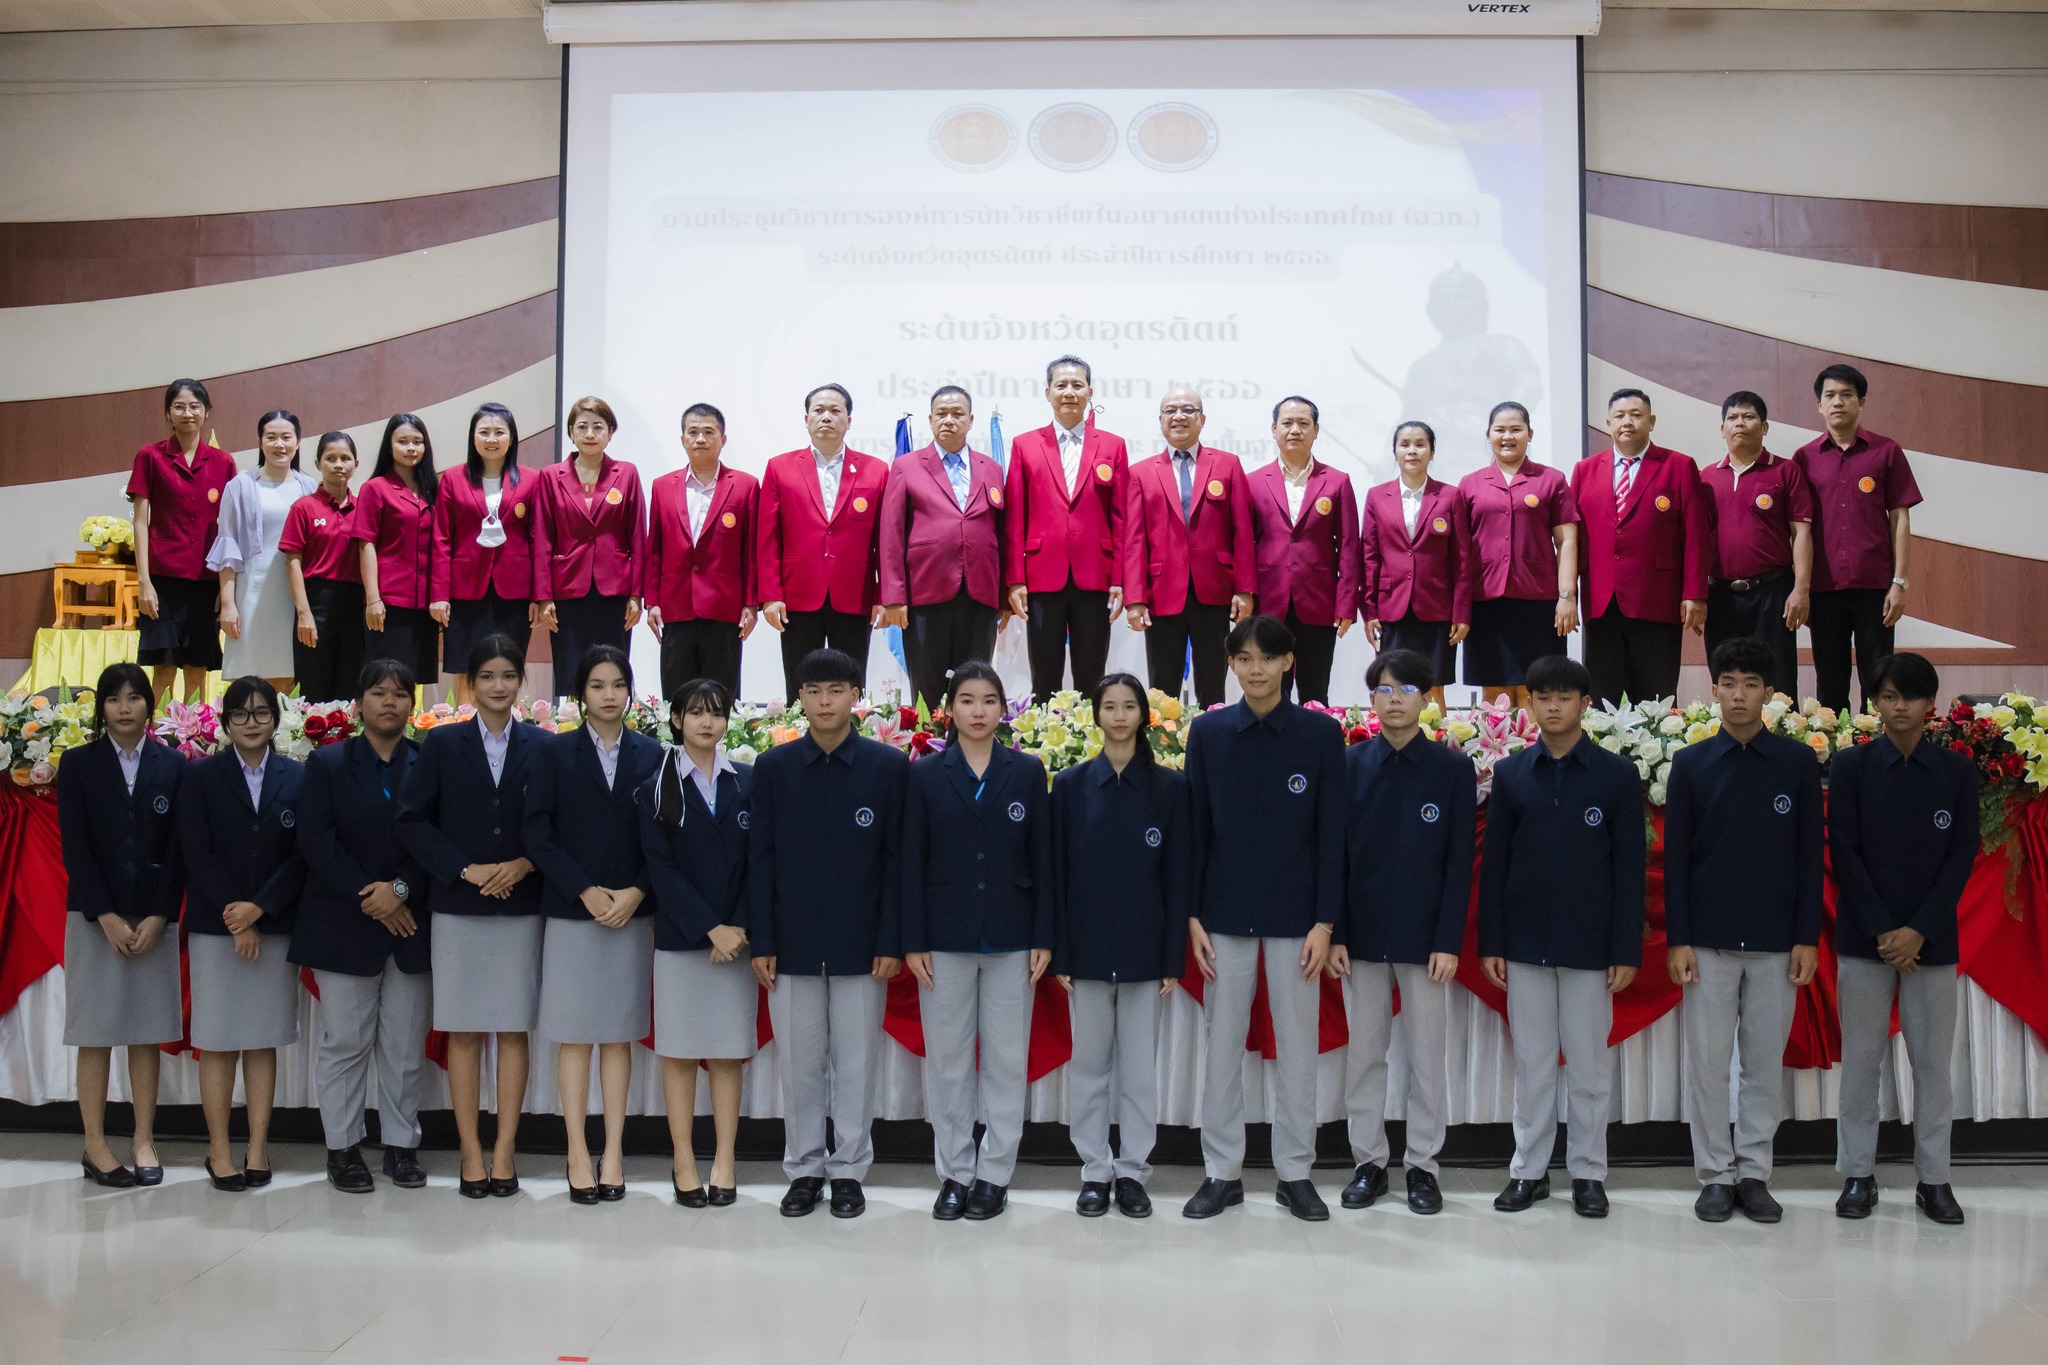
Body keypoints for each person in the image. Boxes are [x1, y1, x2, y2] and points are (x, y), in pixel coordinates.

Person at [1181, 616, 1347, 1221]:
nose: (1254, 668)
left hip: (1297, 921)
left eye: (1266, 658)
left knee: (1298, 1049)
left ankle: (1295, 1173)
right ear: (1231, 664)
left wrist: (1326, 922)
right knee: (1221, 1049)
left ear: (1287, 663)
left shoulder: (1319, 736)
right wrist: (1192, 913)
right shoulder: (1208, 732)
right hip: (1221, 917)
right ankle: (1221, 1173)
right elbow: (1194, 829)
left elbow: (1334, 837)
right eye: (1243, 658)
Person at [1478, 654, 1644, 1218]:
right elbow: (1495, 866)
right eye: (1542, 697)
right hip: (1524, 945)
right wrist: (1493, 943)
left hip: (1591, 947)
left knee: (1590, 1069)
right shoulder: (1511, 774)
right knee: (1533, 1064)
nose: (1552, 706)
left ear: (1584, 705)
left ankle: (1589, 1174)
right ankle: (1527, 1171)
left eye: (1564, 697)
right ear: (1529, 704)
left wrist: (1624, 949)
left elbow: (1629, 872)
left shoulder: (1617, 777)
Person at [1664, 637, 1823, 1224]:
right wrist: (1678, 938)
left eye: (1750, 684)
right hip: (1706, 942)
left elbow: (1811, 858)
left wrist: (1806, 936)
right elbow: (1677, 860)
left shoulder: (1797, 763)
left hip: (1778, 943)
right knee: (1707, 1064)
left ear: (1770, 693)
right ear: (1714, 689)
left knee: (1762, 1064)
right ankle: (1714, 1174)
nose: (1738, 695)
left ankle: (1754, 1172)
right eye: (1728, 683)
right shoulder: (1691, 764)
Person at [747, 647, 909, 1219]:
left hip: (863, 945)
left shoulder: (887, 769)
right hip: (790, 944)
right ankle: (804, 1169)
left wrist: (891, 940)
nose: (824, 701)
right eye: (814, 691)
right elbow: (759, 861)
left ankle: (848, 1171)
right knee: (800, 1063)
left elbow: (898, 864)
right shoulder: (774, 768)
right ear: (801, 697)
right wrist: (762, 940)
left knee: (857, 1063)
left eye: (836, 690)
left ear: (855, 696)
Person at [1828, 651, 1976, 1225]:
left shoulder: (1956, 771)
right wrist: (1886, 930)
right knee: (1862, 1061)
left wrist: (1919, 930)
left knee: (1933, 1065)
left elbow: (1961, 856)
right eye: (1888, 696)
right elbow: (1845, 852)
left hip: (1932, 942)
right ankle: (1858, 1176)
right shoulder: (1851, 767)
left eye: (1909, 696)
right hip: (1867, 940)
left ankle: (1934, 1180)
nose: (1898, 706)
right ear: (1876, 703)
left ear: (1930, 704)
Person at [394, 635, 544, 1199]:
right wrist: (465, 869)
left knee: (510, 1029)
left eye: (508, 676)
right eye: (487, 677)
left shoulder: (542, 745)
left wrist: (526, 862)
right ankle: (470, 1151)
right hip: (458, 907)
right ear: (471, 684)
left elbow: (553, 824)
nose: (499, 686)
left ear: (519, 684)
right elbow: (412, 822)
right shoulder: (441, 743)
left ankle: (504, 1149)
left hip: (520, 906)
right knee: (462, 1030)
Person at [902, 662, 1053, 1221]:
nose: (979, 711)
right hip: (944, 938)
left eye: (990, 700)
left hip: (1013, 938)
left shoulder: (1026, 770)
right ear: (951, 709)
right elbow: (910, 863)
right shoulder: (923, 773)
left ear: (1002, 709)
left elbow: (1044, 861)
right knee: (947, 1063)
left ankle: (994, 1174)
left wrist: (1044, 934)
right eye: (967, 700)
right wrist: (913, 938)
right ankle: (955, 1173)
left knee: (1007, 1061)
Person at [1332, 648, 1475, 1216]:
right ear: (1372, 699)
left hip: (1425, 941)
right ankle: (1369, 1163)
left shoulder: (1450, 769)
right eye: (1385, 690)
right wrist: (1336, 931)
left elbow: (1459, 862)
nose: (1395, 700)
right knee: (1365, 1057)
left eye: (1406, 690)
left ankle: (1422, 1166)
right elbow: (1334, 858)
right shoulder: (1349, 766)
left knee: (1425, 1058)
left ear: (1426, 698)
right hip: (1361, 938)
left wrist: (1447, 939)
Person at [524, 644, 662, 1204]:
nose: (609, 695)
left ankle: (613, 1152)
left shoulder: (653, 755)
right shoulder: (554, 754)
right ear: (581, 694)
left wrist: (635, 891)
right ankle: (577, 1152)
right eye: (598, 685)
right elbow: (537, 834)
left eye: (618, 685)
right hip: (573, 912)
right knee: (576, 1036)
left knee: (618, 1037)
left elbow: (666, 839)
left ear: (629, 691)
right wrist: (583, 890)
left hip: (631, 913)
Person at [289, 659, 432, 1195]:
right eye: (378, 692)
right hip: (344, 923)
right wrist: (370, 895)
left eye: (400, 693)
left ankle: (401, 1145)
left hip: (411, 924)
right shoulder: (326, 765)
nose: (389, 701)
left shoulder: (427, 762)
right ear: (359, 703)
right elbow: (316, 841)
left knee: (402, 1045)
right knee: (345, 1042)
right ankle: (343, 1149)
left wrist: (400, 890)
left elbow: (439, 840)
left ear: (412, 705)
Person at [1051, 672, 1189, 1218]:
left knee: (1137, 1069)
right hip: (1083, 950)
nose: (1119, 716)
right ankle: (1093, 1171)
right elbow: (1056, 876)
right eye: (1109, 706)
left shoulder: (1171, 790)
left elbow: (1179, 881)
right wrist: (1060, 950)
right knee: (1088, 1066)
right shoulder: (1070, 786)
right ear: (1096, 715)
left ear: (1143, 716)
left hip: (1145, 951)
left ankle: (1132, 1172)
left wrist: (1171, 954)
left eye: (1129, 706)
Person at [176, 675, 306, 1192]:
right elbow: (195, 850)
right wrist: (236, 915)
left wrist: (259, 909)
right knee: (219, 1041)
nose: (251, 723)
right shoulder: (201, 776)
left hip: (273, 927)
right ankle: (219, 1149)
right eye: (240, 714)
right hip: (215, 927)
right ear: (226, 722)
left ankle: (256, 1146)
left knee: (261, 1040)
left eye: (261, 713)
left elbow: (302, 856)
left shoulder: (297, 776)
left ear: (275, 719)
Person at [61, 663, 186, 1189]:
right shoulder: (77, 763)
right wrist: (105, 915)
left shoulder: (174, 764)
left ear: (149, 706)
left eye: (136, 697)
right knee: (95, 1033)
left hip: (153, 917)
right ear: (102, 707)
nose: (126, 707)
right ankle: (93, 1143)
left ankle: (142, 1139)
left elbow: (180, 848)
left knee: (145, 1034)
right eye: (114, 698)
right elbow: (76, 847)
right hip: (96, 916)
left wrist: (160, 915)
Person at [638, 678, 756, 1208]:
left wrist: (738, 927)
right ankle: (684, 1160)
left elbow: (763, 863)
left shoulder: (749, 782)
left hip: (738, 940)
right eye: (696, 713)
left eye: (717, 713)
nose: (707, 722)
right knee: (681, 1055)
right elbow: (660, 871)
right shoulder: (655, 787)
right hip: (684, 941)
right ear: (677, 720)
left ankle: (725, 1160)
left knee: (728, 1055)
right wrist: (711, 928)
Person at [1795, 364, 1923, 714]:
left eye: (1847, 395)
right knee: (1830, 682)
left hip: (1875, 589)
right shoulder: (1804, 458)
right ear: (1818, 405)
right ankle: (1833, 761)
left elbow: (1900, 519)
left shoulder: (1886, 451)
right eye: (1830, 396)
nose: (1838, 402)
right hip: (1824, 590)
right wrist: (1801, 588)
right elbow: (1798, 531)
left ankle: (1877, 755)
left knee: (1878, 677)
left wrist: (1899, 583)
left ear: (1861, 401)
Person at [1003, 355, 1131, 699]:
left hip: (1096, 576)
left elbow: (1121, 518)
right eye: (1061, 385)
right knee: (1044, 678)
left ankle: (1093, 746)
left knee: (1093, 678)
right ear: (1048, 393)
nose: (1069, 392)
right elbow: (1015, 517)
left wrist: (1120, 578)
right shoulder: (1024, 445)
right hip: (1042, 577)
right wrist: (1015, 579)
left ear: (1091, 391)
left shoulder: (1113, 445)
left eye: (1077, 385)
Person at [1571, 390, 1710, 706]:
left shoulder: (1679, 466)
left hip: (1657, 600)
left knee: (1657, 698)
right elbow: (1574, 538)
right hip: (1602, 601)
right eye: (1619, 416)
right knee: (1604, 698)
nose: (1627, 422)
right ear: (1608, 423)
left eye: (1635, 414)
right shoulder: (1585, 470)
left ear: (1651, 421)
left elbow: (1696, 537)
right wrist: (1568, 595)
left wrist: (1694, 593)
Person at [1124, 386, 1257, 709]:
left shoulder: (1227, 465)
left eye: (1187, 409)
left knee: (1213, 682)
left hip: (1214, 592)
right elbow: (1134, 539)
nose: (1179, 416)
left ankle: (1213, 748)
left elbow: (1242, 531)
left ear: (1202, 419)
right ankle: (1165, 751)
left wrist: (1246, 589)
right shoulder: (1141, 473)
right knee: (1162, 686)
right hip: (1161, 592)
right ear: (1160, 420)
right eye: (1170, 410)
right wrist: (1135, 599)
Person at [879, 387, 1008, 710]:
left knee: (975, 684)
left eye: (957, 414)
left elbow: (1002, 533)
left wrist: (1004, 595)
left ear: (971, 419)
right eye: (942, 414)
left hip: (980, 594)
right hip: (925, 594)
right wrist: (894, 596)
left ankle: (972, 751)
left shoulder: (991, 468)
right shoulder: (906, 466)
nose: (949, 420)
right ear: (930, 419)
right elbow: (890, 534)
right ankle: (926, 752)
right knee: (928, 686)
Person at [756, 384, 888, 697]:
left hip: (855, 594)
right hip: (797, 595)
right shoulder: (780, 468)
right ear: (806, 419)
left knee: (852, 683)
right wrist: (771, 595)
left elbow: (885, 541)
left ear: (849, 420)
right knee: (801, 684)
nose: (826, 417)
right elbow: (768, 538)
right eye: (818, 410)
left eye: (835, 411)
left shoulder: (876, 470)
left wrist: (883, 595)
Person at [1459, 402, 1580, 710]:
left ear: (1530, 434)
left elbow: (1566, 540)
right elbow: (1459, 551)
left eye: (1516, 429)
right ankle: (1496, 756)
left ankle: (1534, 755)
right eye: (1500, 430)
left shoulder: (1551, 479)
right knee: (1495, 695)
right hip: (1485, 602)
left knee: (1537, 692)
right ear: (1488, 436)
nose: (1507, 436)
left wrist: (1567, 596)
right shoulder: (1470, 484)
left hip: (1538, 603)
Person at [1699, 394, 1813, 699]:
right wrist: (1695, 595)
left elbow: (1801, 533)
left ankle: (1783, 743)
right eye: (1732, 418)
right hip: (1720, 597)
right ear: (1721, 428)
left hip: (1772, 594)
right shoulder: (1706, 477)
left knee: (1777, 682)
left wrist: (1801, 589)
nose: (1740, 423)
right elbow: (1695, 541)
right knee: (1726, 682)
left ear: (1764, 427)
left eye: (1748, 417)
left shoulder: (1785, 471)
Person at [128, 378, 235, 703]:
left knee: (197, 667)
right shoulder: (150, 457)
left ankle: (194, 739)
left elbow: (229, 530)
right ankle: (154, 735)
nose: (187, 413)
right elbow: (140, 522)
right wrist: (144, 581)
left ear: (206, 412)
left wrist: (224, 588)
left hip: (205, 580)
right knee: (163, 667)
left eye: (194, 406)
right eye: (179, 406)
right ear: (168, 414)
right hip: (162, 579)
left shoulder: (223, 462)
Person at [1247, 396, 1359, 705]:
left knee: (1315, 691)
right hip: (1269, 601)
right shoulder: (1253, 482)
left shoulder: (1337, 481)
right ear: (1274, 429)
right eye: (1287, 423)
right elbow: (1243, 544)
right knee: (1270, 691)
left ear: (1316, 429)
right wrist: (1245, 596)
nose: (1294, 430)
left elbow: (1350, 545)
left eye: (1303, 423)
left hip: (1319, 602)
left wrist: (1347, 604)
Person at [646, 403, 758, 699]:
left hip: (725, 608)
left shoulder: (746, 486)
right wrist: (652, 602)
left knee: (722, 696)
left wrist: (751, 603)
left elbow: (751, 550)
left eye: (709, 432)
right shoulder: (662, 486)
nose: (700, 439)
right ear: (682, 439)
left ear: (723, 439)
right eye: (692, 432)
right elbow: (654, 548)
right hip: (675, 606)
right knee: (677, 697)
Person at [431, 404, 540, 706]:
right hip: (465, 590)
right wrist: (440, 594)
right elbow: (441, 538)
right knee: (469, 668)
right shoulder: (453, 478)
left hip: (515, 592)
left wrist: (538, 595)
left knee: (507, 666)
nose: (492, 439)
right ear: (473, 437)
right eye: (484, 432)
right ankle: (466, 726)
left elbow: (538, 539)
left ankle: (507, 733)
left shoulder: (531, 480)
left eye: (499, 432)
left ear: (511, 437)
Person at [534, 397, 647, 686]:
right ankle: (574, 725)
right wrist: (544, 596)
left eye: (598, 427)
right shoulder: (550, 476)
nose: (589, 434)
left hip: (615, 589)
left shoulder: (627, 473)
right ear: (571, 432)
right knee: (573, 670)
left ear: (610, 433)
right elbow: (543, 538)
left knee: (613, 669)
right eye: (582, 426)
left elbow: (637, 536)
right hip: (567, 587)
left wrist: (636, 594)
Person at [1360, 421, 1473, 696]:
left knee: (1433, 688)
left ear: (1431, 452)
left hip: (1436, 609)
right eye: (1405, 445)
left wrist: (1461, 612)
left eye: (1420, 444)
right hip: (1391, 607)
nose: (1412, 451)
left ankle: (1437, 739)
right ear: (1395, 452)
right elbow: (1370, 557)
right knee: (1391, 686)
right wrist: (1369, 611)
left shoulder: (1449, 496)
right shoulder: (1377, 496)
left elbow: (1462, 559)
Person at [213, 410, 316, 688]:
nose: (279, 445)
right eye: (271, 437)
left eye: (286, 437)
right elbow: (228, 546)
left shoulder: (310, 487)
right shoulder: (240, 486)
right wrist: (228, 604)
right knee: (253, 677)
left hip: (294, 593)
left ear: (298, 442)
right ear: (260, 442)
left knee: (290, 672)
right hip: (253, 591)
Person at [351, 414, 441, 685]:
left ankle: (413, 729)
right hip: (389, 602)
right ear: (389, 446)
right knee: (387, 680)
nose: (411, 448)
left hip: (425, 604)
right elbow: (366, 544)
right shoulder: (375, 488)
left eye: (417, 441)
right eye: (402, 441)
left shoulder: (432, 489)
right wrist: (374, 599)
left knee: (416, 679)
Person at [282, 432, 366, 704]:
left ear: (356, 463)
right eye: (331, 458)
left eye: (345, 458)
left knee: (351, 687)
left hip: (356, 606)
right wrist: (304, 614)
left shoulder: (364, 509)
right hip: (316, 603)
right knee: (314, 687)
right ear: (318, 463)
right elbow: (292, 562)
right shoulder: (303, 508)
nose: (338, 464)